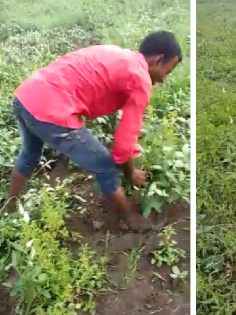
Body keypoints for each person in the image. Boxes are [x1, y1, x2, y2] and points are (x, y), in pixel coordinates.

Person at [6, 30, 182, 230]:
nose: (165, 79)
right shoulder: (141, 79)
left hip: (26, 95)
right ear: (158, 60)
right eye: (168, 71)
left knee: (29, 155)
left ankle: (10, 205)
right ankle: (131, 219)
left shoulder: (117, 53)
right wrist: (131, 171)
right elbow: (124, 143)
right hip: (51, 110)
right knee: (105, 164)